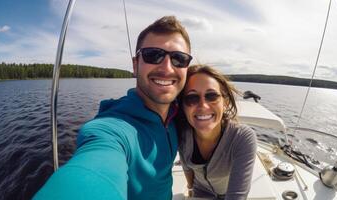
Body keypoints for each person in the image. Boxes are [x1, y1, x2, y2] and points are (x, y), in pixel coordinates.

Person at [34, 16, 192, 200]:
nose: (167, 68)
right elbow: (93, 170)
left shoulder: (180, 112)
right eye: (153, 55)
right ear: (135, 64)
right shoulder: (112, 130)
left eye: (179, 59)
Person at [177, 65, 257, 200]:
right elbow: (187, 167)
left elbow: (237, 196)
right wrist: (190, 189)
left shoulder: (242, 138)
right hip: (200, 192)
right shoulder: (182, 136)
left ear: (225, 102)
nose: (203, 105)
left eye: (212, 96)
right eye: (192, 98)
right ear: (183, 106)